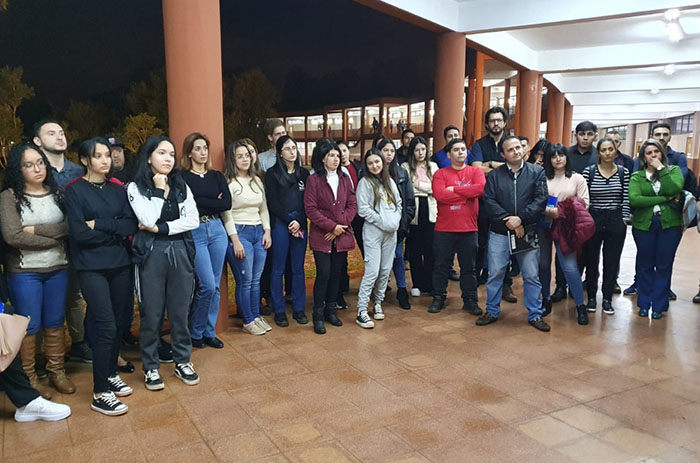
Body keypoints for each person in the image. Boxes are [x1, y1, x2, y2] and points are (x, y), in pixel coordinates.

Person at [65, 137, 138, 415]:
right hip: (91, 266)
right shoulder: (75, 190)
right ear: (85, 160)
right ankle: (100, 392)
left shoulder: (117, 189)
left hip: (120, 263)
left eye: (107, 155)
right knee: (105, 324)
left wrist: (101, 224)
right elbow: (79, 234)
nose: (105, 160)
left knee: (119, 322)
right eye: (98, 156)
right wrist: (113, 230)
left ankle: (109, 373)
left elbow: (130, 224)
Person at [1, 143, 74, 400]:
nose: (37, 168)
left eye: (40, 162)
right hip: (24, 271)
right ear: (18, 169)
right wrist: (54, 239)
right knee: (29, 327)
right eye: (28, 164)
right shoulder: (9, 196)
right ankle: (30, 378)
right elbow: (13, 235)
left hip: (58, 267)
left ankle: (57, 372)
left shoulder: (58, 193)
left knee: (55, 321)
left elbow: (69, 226)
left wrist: (36, 230)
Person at [128, 135, 200, 391]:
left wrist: (159, 227)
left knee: (180, 311)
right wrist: (158, 191)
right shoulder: (136, 187)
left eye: (171, 154)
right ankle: (150, 367)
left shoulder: (181, 185)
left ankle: (183, 361)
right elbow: (146, 216)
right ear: (149, 157)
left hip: (180, 249)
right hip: (151, 254)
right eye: (161, 153)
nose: (168, 158)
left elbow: (193, 220)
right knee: (152, 313)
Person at [32, 120, 91, 363]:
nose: (59, 137)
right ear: (37, 141)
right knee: (42, 302)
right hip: (41, 251)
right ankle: (36, 357)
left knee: (74, 297)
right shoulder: (34, 173)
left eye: (62, 132)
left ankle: (77, 345)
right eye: (51, 133)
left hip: (75, 246)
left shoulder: (78, 172)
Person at [477, 135, 550, 331]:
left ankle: (535, 314)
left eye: (518, 147)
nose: (516, 151)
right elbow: (489, 202)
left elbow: (540, 199)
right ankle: (492, 311)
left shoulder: (537, 172)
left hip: (527, 231)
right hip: (500, 232)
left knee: (531, 275)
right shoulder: (494, 176)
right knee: (495, 273)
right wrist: (510, 220)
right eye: (510, 149)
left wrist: (521, 220)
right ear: (503, 154)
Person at [625, 122, 689, 298]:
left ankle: (661, 298)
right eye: (658, 134)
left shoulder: (677, 160)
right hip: (644, 220)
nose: (662, 137)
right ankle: (642, 293)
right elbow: (635, 196)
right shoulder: (639, 169)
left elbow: (675, 188)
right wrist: (663, 198)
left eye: (665, 134)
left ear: (670, 137)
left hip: (670, 220)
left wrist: (661, 169)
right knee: (644, 259)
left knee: (664, 262)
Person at [181, 133, 232, 349]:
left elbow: (227, 203)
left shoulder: (217, 176)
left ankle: (208, 332)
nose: (203, 152)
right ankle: (195, 332)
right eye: (198, 148)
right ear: (189, 152)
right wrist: (212, 202)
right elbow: (189, 205)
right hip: (196, 231)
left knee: (215, 284)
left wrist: (204, 202)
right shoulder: (182, 177)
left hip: (217, 229)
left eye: (205, 148)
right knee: (207, 285)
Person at [305, 141, 357, 334]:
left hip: (341, 233)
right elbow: (311, 209)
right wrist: (331, 226)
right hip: (322, 235)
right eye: (331, 155)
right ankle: (317, 315)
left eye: (337, 155)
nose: (336, 159)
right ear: (322, 158)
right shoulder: (314, 180)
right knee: (324, 274)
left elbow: (353, 204)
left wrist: (340, 226)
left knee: (337, 273)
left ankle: (331, 310)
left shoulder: (345, 178)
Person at [428, 138, 485, 315]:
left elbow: (480, 190)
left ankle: (470, 300)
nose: (461, 152)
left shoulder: (475, 172)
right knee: (441, 266)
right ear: (448, 154)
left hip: (469, 229)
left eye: (463, 149)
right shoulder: (440, 174)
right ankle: (438, 298)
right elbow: (440, 195)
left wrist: (454, 189)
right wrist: (466, 195)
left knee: (469, 268)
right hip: (444, 229)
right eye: (456, 149)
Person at [222, 140, 272, 336]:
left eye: (247, 155)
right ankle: (248, 320)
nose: (245, 159)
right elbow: (226, 214)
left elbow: (264, 208)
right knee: (246, 279)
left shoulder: (257, 181)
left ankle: (256, 315)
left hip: (258, 231)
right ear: (232, 160)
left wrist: (267, 231)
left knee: (256, 280)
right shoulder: (230, 183)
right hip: (240, 232)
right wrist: (235, 240)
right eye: (240, 156)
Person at [538, 143, 590, 324]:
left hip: (566, 226)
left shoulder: (577, 178)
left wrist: (561, 212)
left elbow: (584, 203)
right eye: (553, 156)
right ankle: (545, 299)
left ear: (567, 157)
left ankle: (580, 306)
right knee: (543, 264)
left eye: (561, 155)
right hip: (544, 225)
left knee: (569, 267)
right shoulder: (541, 177)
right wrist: (547, 211)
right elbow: (535, 200)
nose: (558, 159)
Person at [469, 107, 516, 302]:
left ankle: (506, 285)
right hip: (482, 201)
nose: (495, 124)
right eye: (492, 121)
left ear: (505, 122)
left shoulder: (511, 143)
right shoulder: (479, 144)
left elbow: (515, 165)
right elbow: (476, 169)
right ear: (487, 124)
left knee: (506, 244)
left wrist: (489, 165)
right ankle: (474, 283)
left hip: (506, 203)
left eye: (499, 120)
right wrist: (501, 166)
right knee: (479, 243)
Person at [581, 137, 630, 315]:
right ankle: (592, 297)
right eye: (604, 150)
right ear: (598, 153)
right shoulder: (590, 172)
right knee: (591, 260)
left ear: (616, 151)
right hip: (594, 218)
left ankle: (607, 299)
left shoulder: (623, 172)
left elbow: (625, 197)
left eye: (611, 149)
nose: (608, 153)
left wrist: (624, 219)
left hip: (616, 219)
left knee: (611, 261)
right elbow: (584, 198)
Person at [264, 135, 309, 327]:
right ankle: (279, 309)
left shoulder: (304, 174)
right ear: (279, 152)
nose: (293, 151)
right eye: (288, 148)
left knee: (298, 268)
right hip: (281, 224)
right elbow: (272, 202)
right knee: (278, 267)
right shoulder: (272, 174)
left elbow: (309, 201)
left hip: (299, 223)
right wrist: (290, 220)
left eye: (294, 148)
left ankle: (299, 308)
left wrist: (299, 220)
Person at [355, 148, 402, 328]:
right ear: (366, 166)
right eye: (370, 163)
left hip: (391, 233)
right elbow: (363, 209)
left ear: (383, 162)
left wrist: (395, 221)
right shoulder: (365, 183)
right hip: (373, 232)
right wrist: (382, 222)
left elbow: (398, 203)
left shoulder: (389, 181)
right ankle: (361, 310)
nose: (375, 166)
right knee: (372, 271)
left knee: (385, 270)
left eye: (377, 162)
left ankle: (377, 303)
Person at [374, 136, 415, 309]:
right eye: (385, 151)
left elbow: (409, 202)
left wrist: (402, 224)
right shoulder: (372, 173)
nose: (389, 154)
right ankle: (378, 292)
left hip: (397, 227)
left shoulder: (402, 173)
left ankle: (402, 290)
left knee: (398, 257)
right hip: (376, 227)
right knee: (378, 260)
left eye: (391, 151)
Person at [401, 136, 438, 297]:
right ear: (412, 151)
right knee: (414, 249)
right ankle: (417, 283)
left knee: (430, 249)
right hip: (413, 212)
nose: (420, 153)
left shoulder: (433, 166)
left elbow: (436, 189)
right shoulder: (405, 167)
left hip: (430, 211)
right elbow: (408, 190)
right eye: (417, 150)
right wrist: (425, 188)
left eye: (423, 149)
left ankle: (429, 284)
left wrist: (418, 185)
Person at [336, 139, 358, 309]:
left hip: (357, 214)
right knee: (340, 254)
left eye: (344, 150)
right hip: (340, 219)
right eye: (338, 151)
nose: (342, 154)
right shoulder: (335, 173)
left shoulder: (356, 168)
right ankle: (341, 288)